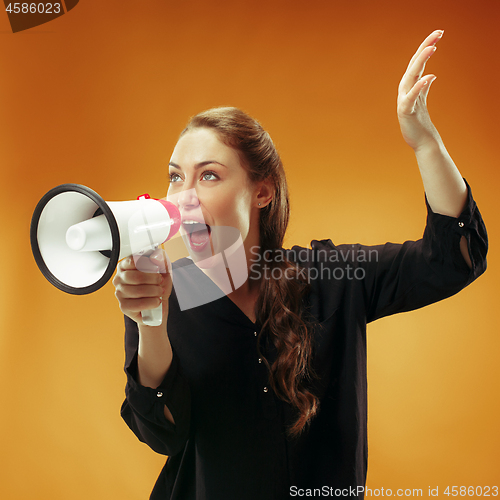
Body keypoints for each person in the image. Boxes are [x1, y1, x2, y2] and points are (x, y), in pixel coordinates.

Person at [113, 30, 488, 500]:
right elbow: (160, 433)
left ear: (262, 192)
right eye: (175, 176)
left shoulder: (331, 277)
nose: (183, 196)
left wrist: (425, 143)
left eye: (209, 175)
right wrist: (151, 323)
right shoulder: (163, 294)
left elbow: (454, 259)